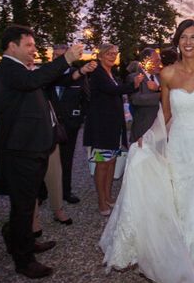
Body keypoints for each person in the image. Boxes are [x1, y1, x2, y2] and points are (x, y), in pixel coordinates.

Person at [100, 19, 194, 283]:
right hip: (180, 147)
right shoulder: (168, 73)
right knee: (179, 206)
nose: (188, 42)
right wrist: (147, 140)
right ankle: (173, 268)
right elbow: (165, 115)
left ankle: (188, 279)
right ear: (177, 42)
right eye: (183, 37)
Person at [0, 25, 83, 279]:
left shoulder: (23, 70)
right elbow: (33, 81)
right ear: (13, 46)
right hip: (20, 149)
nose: (34, 50)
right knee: (22, 205)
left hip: (35, 146)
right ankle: (24, 260)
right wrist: (65, 59)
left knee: (29, 199)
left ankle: (23, 240)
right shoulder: (7, 69)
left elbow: (43, 82)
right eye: (29, 45)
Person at [83, 43, 142, 215]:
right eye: (109, 53)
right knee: (102, 165)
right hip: (102, 128)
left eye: (115, 53)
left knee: (111, 163)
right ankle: (101, 201)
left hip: (113, 127)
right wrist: (134, 85)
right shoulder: (98, 74)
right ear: (100, 55)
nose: (113, 56)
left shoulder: (111, 73)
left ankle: (108, 196)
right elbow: (112, 90)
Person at [49, 44, 97, 205]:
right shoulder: (44, 75)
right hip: (47, 125)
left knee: (66, 158)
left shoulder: (76, 75)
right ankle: (43, 193)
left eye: (61, 55)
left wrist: (80, 118)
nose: (57, 58)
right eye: (54, 55)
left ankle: (65, 191)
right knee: (43, 159)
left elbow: (86, 98)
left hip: (70, 125)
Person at [127, 47, 161, 142]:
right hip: (143, 131)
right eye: (157, 61)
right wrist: (162, 96)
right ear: (146, 61)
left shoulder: (162, 76)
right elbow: (137, 99)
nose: (160, 64)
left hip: (161, 130)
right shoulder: (134, 77)